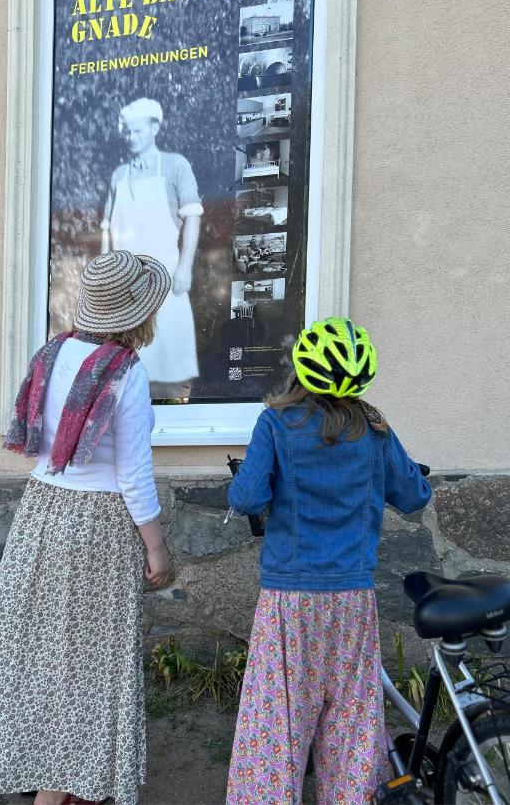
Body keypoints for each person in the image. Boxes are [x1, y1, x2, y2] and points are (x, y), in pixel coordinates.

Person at [0, 251, 174, 805]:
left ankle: (56, 782)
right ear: (137, 314)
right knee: (88, 666)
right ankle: (59, 791)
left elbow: (41, 443)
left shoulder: (51, 354)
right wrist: (158, 550)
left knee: (38, 655)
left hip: (42, 511)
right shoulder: (125, 372)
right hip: (98, 526)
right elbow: (133, 476)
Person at [226, 317, 432, 805]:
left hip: (289, 598)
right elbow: (413, 496)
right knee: (352, 714)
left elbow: (249, 496)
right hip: (351, 596)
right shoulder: (375, 429)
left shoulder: (275, 423)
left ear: (301, 370)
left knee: (279, 717)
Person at [100, 97, 203, 393]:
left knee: (171, 369)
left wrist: (184, 268)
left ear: (154, 128)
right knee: (127, 377)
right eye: (128, 132)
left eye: (138, 131)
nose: (132, 138)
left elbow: (193, 217)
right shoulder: (119, 175)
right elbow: (107, 231)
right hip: (126, 285)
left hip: (166, 281)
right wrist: (107, 280)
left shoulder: (174, 165)